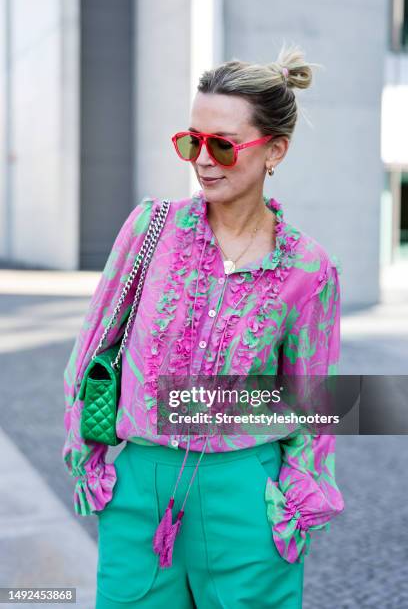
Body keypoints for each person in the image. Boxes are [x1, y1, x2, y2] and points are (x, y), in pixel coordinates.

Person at [62, 43, 345, 608]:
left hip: (248, 496)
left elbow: (314, 402)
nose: (203, 159)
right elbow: (94, 347)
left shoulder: (309, 269)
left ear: (275, 151)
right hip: (141, 488)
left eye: (223, 144)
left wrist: (294, 496)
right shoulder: (149, 229)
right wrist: (89, 454)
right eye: (192, 141)